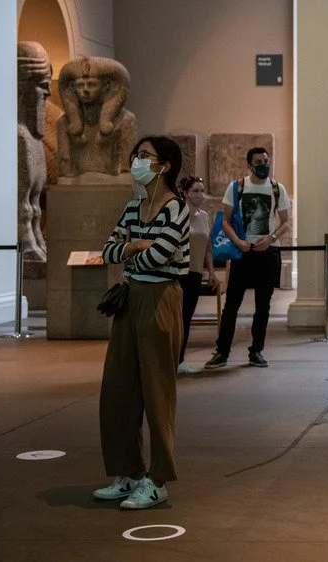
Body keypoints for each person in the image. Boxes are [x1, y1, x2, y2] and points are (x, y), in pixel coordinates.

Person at [93, 136, 189, 510]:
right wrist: (133, 248)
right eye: (137, 155)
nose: (137, 160)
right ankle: (128, 471)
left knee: (157, 390)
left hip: (160, 299)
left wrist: (132, 250)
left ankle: (159, 478)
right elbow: (108, 250)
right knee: (118, 389)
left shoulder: (175, 208)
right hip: (130, 298)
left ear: (163, 165)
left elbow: (161, 257)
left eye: (144, 156)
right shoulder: (133, 207)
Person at [204, 147, 291, 369]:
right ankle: (222, 351)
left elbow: (285, 222)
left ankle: (257, 351)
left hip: (268, 253)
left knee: (263, 305)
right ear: (250, 165)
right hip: (243, 252)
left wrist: (270, 239)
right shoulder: (237, 187)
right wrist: (238, 242)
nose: (264, 164)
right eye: (259, 161)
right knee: (232, 304)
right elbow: (225, 220)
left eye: (266, 160)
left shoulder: (277, 189)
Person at [177, 176, 218, 375]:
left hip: (194, 273)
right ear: (185, 192)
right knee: (174, 317)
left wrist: (211, 272)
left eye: (201, 190)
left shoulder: (204, 216)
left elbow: (208, 247)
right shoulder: (178, 215)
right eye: (195, 190)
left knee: (186, 317)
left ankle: (180, 359)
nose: (199, 195)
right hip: (178, 272)